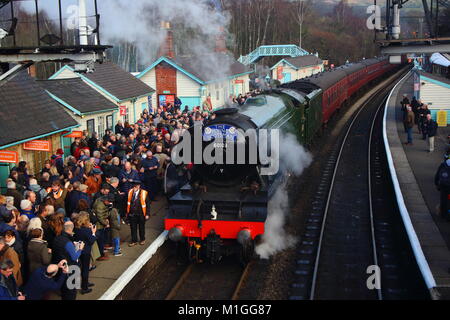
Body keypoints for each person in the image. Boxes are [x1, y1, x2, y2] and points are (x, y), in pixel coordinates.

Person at [51, 221, 84, 300]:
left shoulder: (57, 238)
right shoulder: (67, 242)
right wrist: (80, 249)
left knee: (64, 291)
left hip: (60, 268)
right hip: (71, 269)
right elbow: (74, 257)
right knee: (71, 293)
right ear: (71, 229)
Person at [73, 212, 96, 294]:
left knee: (81, 268)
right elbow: (91, 240)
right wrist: (93, 232)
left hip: (78, 250)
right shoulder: (86, 230)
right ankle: (84, 287)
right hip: (86, 252)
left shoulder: (76, 228)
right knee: (85, 269)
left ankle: (85, 283)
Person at [126, 180, 151, 246]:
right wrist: (127, 213)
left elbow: (148, 204)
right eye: (133, 186)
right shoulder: (130, 192)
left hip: (141, 214)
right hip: (132, 213)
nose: (134, 188)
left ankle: (142, 239)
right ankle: (134, 240)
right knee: (133, 228)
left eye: (136, 186)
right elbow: (127, 202)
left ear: (139, 186)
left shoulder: (144, 193)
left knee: (141, 227)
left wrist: (147, 214)